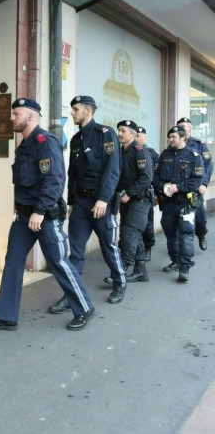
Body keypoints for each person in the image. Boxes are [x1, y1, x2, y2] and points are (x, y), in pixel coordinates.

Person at [0, 99, 94, 332]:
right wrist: (17, 208)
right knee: (12, 262)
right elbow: (21, 182)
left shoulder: (45, 142)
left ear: (31, 116)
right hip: (23, 216)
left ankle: (83, 307)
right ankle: (6, 317)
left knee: (59, 263)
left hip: (43, 217)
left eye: (16, 113)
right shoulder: (24, 144)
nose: (11, 117)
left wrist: (40, 212)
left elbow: (54, 181)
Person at [48, 95, 125, 315]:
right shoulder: (76, 140)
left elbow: (113, 169)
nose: (72, 112)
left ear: (88, 111)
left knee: (108, 246)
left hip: (100, 201)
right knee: (76, 251)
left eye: (75, 109)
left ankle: (119, 283)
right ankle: (70, 294)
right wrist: (71, 201)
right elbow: (72, 174)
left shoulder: (106, 134)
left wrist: (103, 199)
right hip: (80, 203)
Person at [152, 125, 204, 282]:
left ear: (183, 138)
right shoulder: (165, 154)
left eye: (174, 137)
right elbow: (155, 176)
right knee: (170, 233)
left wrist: (177, 187)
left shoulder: (194, 156)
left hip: (186, 202)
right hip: (168, 203)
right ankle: (175, 261)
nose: (170, 139)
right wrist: (163, 187)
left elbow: (197, 181)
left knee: (186, 234)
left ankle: (185, 267)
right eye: (170, 137)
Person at [104, 120, 153, 283]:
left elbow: (146, 177)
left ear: (132, 135)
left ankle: (121, 270)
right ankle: (141, 272)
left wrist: (130, 194)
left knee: (128, 233)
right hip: (124, 200)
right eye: (119, 130)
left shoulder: (139, 151)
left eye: (123, 131)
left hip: (139, 199)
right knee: (134, 234)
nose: (119, 133)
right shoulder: (119, 151)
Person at [176, 117, 212, 251]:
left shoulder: (199, 144)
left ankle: (201, 235)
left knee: (200, 217)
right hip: (179, 188)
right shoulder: (174, 143)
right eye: (179, 127)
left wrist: (204, 184)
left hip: (195, 187)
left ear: (190, 129)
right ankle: (181, 245)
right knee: (178, 217)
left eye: (184, 127)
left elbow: (208, 165)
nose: (182, 129)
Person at [137, 126, 159, 262]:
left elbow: (156, 175)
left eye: (140, 135)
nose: (137, 137)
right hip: (132, 195)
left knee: (147, 224)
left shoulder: (151, 153)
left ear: (145, 137)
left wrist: (157, 194)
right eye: (136, 135)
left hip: (147, 194)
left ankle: (148, 248)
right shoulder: (127, 152)